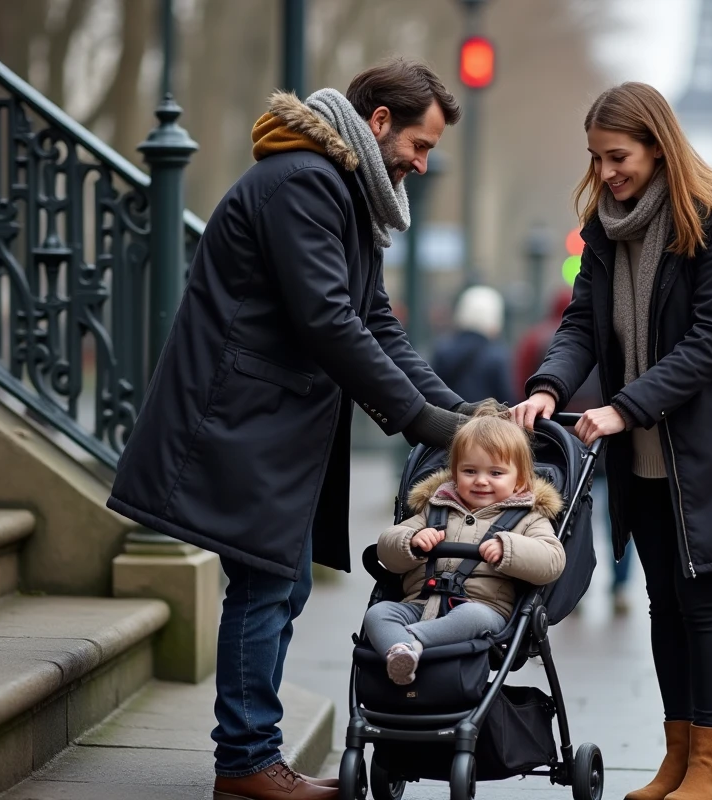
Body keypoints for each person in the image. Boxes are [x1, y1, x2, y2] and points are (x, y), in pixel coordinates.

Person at [107, 59, 479, 800]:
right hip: (244, 417)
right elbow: (328, 320)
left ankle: (252, 755)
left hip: (272, 421)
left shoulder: (341, 191)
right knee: (266, 585)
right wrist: (418, 419)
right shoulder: (306, 182)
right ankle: (246, 763)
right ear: (379, 124)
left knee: (279, 587)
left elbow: (375, 320)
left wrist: (460, 416)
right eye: (420, 144)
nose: (421, 162)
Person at [512, 82, 712, 800]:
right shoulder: (602, 227)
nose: (607, 172)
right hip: (640, 450)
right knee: (661, 603)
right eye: (597, 158)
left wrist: (623, 407)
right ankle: (677, 758)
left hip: (705, 449)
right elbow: (581, 322)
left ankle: (711, 763)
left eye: (619, 157)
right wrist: (549, 385)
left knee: (703, 602)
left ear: (657, 145)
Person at [366, 406, 565, 683]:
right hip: (419, 604)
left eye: (496, 473)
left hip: (482, 608)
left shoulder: (528, 518)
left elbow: (552, 560)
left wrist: (509, 548)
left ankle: (410, 643)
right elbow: (387, 547)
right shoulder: (435, 509)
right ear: (454, 473)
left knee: (471, 615)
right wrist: (411, 542)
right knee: (379, 613)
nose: (481, 481)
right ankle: (400, 651)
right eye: (469, 471)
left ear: (519, 480)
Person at [515, 288, 635, 615]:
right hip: (607, 432)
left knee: (563, 517)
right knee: (617, 517)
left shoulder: (536, 339)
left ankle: (568, 586)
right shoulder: (613, 337)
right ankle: (620, 586)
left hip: (557, 444)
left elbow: (520, 383)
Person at [431, 285, 514, 405]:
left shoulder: (443, 348)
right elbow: (507, 399)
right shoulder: (497, 355)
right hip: (484, 421)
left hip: (447, 420)